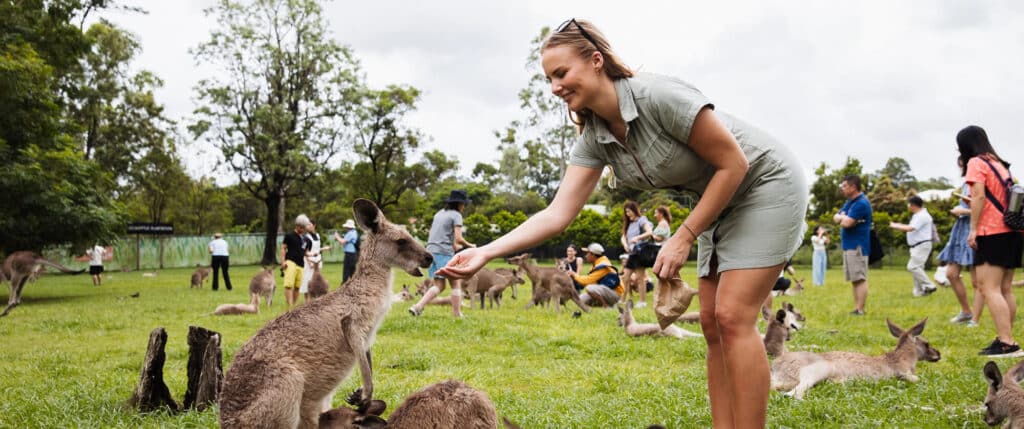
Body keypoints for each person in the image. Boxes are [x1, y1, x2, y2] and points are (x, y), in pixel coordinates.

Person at [437, 19, 807, 428]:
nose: (555, 86)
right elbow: (558, 213)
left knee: (734, 317)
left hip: (764, 183)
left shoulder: (657, 96)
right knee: (711, 324)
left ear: (596, 61)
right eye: (549, 78)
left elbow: (734, 163)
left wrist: (683, 235)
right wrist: (486, 250)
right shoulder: (596, 136)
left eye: (561, 73)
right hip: (720, 201)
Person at [958, 125, 1021, 356]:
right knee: (1005, 289)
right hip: (1012, 230)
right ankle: (1006, 337)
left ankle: (1007, 342)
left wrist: (973, 229)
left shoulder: (976, 162)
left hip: (992, 231)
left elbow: (980, 195)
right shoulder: (1000, 164)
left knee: (988, 287)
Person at [409, 190, 476, 318]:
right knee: (456, 282)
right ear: (459, 204)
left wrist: (455, 247)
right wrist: (471, 246)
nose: (464, 206)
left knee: (439, 285)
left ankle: (417, 307)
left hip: (431, 252)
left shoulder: (439, 213)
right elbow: (459, 238)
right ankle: (457, 314)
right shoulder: (456, 215)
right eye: (464, 204)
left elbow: (441, 236)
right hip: (443, 252)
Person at [937, 159, 978, 325]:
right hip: (960, 230)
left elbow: (985, 207)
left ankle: (975, 318)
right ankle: (966, 312)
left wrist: (965, 211)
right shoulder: (965, 184)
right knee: (951, 274)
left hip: (974, 229)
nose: (960, 166)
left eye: (961, 163)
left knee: (977, 280)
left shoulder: (977, 182)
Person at [834, 174, 872, 316]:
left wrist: (844, 217)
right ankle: (857, 308)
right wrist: (844, 216)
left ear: (853, 187)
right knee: (854, 279)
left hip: (858, 246)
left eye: (844, 186)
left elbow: (846, 223)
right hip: (849, 245)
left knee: (860, 278)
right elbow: (836, 217)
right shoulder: (851, 202)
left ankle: (860, 309)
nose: (842, 189)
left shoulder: (861, 203)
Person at [889, 195, 938, 297]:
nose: (908, 206)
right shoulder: (918, 215)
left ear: (913, 205)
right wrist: (897, 224)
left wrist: (894, 225)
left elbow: (910, 228)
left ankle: (929, 285)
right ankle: (919, 292)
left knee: (913, 267)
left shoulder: (922, 216)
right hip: (917, 246)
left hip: (921, 245)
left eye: (909, 203)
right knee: (918, 268)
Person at [568, 243, 623, 308]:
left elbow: (587, 281)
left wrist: (574, 275)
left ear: (593, 254)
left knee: (590, 288)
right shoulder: (598, 263)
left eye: (587, 253)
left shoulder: (602, 265)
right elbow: (590, 280)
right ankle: (611, 305)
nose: (586, 256)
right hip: (607, 291)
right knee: (581, 299)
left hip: (615, 293)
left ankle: (606, 307)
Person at [621, 201, 653, 307]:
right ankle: (622, 300)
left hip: (640, 253)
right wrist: (625, 244)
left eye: (629, 211)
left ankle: (642, 302)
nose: (627, 214)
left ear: (634, 210)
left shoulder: (642, 220)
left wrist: (637, 238)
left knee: (640, 278)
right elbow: (623, 236)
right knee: (625, 277)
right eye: (626, 212)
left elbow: (649, 232)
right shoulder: (629, 223)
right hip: (631, 254)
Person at [281, 214, 311, 309]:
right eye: (301, 228)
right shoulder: (289, 236)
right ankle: (289, 305)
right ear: (297, 226)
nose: (303, 230)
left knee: (297, 286)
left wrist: (313, 255)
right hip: (290, 262)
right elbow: (283, 248)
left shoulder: (306, 239)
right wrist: (283, 262)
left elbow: (306, 252)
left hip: (301, 264)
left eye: (304, 228)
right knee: (289, 284)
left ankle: (294, 306)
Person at [300, 220, 330, 302]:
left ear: (314, 225)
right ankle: (306, 301)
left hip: (318, 261)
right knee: (307, 280)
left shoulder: (317, 235)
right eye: (307, 225)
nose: (307, 227)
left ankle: (317, 299)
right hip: (309, 261)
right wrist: (309, 262)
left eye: (309, 225)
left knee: (318, 280)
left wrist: (324, 248)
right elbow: (303, 251)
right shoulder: (306, 237)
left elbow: (316, 249)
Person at [333, 219, 359, 285]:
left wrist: (337, 236)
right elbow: (343, 242)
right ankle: (350, 284)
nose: (345, 228)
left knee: (348, 272)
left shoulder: (351, 233)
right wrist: (338, 238)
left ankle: (345, 285)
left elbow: (342, 241)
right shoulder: (352, 233)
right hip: (350, 254)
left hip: (350, 255)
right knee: (351, 272)